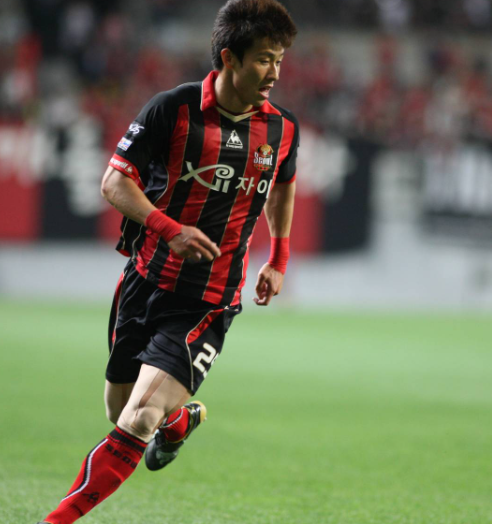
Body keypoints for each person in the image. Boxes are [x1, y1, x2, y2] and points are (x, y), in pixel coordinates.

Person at [39, 1, 299, 522]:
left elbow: (282, 185)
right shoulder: (172, 109)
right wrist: (169, 229)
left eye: (279, 59)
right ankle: (180, 421)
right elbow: (114, 182)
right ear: (229, 57)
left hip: (208, 300)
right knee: (120, 411)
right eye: (264, 59)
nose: (274, 72)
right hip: (145, 279)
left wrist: (279, 256)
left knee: (138, 417)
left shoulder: (282, 129)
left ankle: (56, 519)